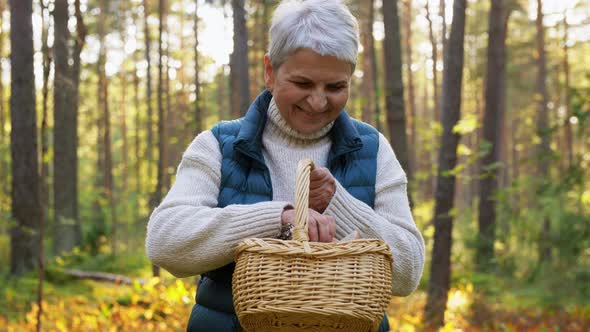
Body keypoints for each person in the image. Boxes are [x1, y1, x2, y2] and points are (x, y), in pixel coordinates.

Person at [146, 0, 425, 331]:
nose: (319, 101)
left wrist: (339, 203)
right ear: (269, 71)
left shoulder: (372, 150)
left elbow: (408, 272)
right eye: (303, 84)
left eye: (335, 87)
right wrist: (279, 217)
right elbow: (165, 242)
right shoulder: (220, 146)